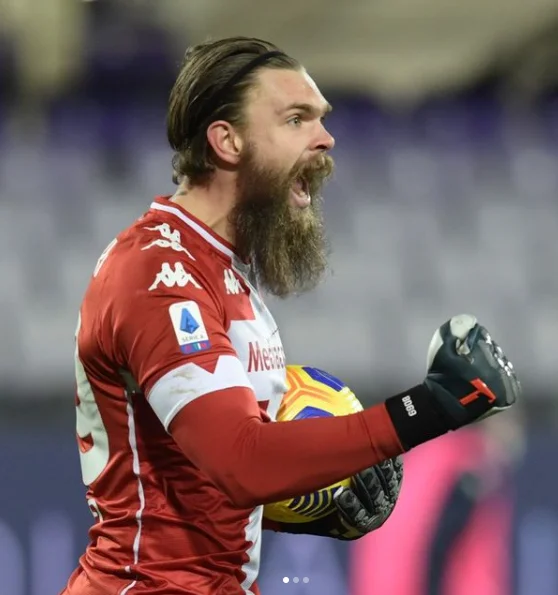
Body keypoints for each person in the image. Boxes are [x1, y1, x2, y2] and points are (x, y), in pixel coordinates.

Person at [60, 36, 520, 595]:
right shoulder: (159, 273)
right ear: (227, 141)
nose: (325, 138)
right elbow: (240, 461)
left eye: (321, 119)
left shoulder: (220, 270)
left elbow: (199, 480)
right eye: (296, 119)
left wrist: (313, 502)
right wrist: (428, 407)